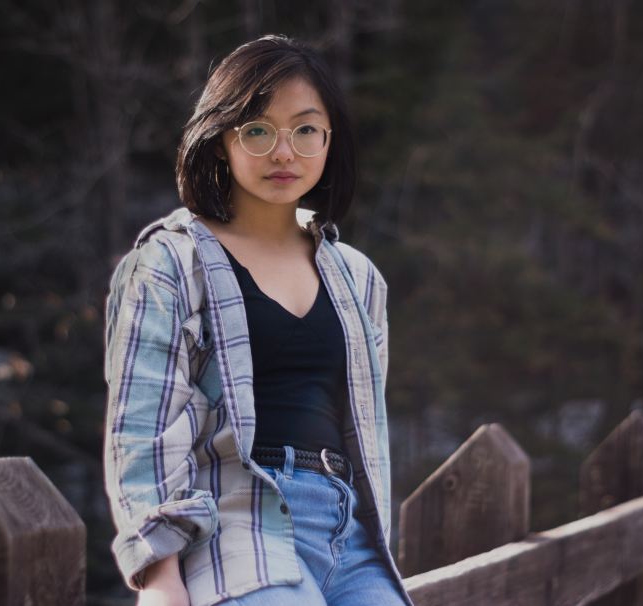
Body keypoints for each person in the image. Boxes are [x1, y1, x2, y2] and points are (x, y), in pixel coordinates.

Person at [103, 34, 414, 606]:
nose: (283, 152)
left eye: (305, 129)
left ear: (329, 140)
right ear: (221, 139)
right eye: (257, 130)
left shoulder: (358, 276)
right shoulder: (173, 261)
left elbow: (366, 428)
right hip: (240, 525)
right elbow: (142, 425)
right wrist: (158, 571)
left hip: (352, 539)